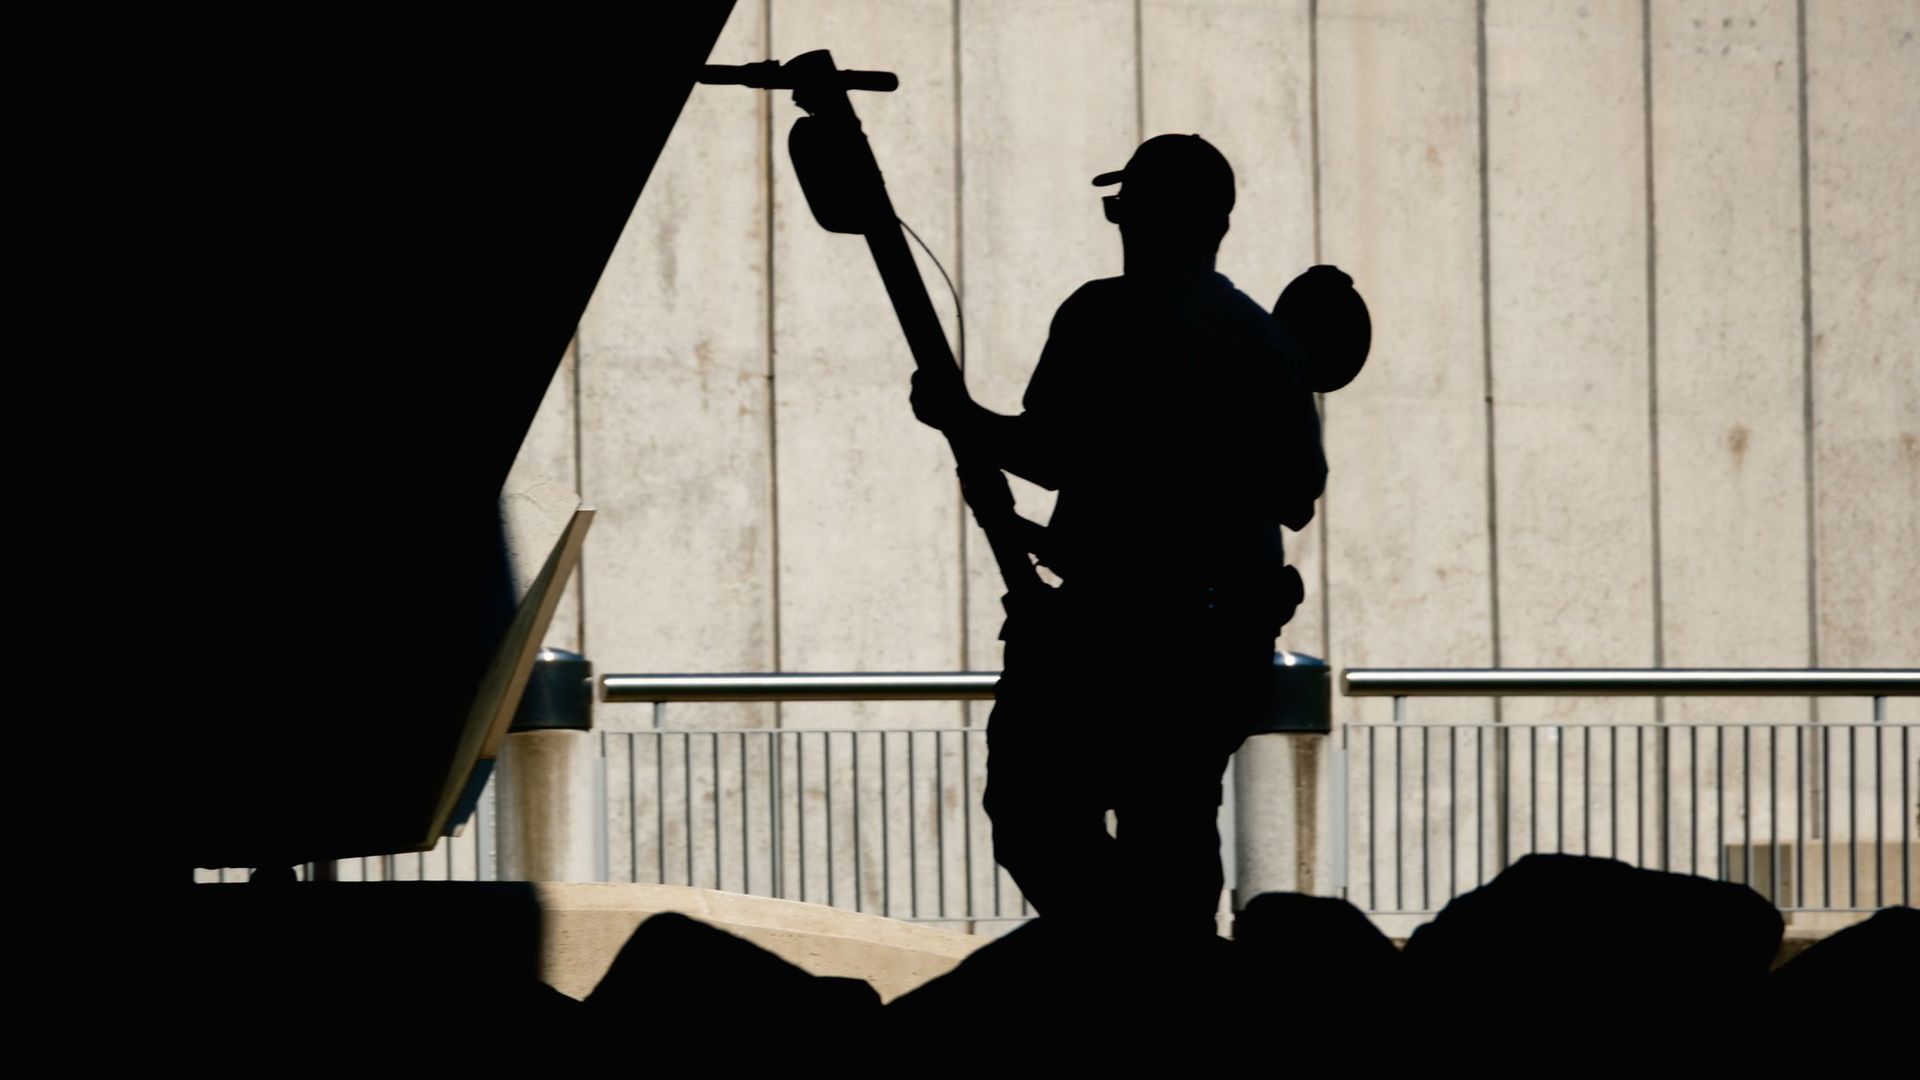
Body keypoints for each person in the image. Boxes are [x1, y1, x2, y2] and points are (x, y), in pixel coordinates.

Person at [910, 134, 1326, 938]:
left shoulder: (1106, 312)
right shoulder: (1268, 345)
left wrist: (955, 416)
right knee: (1172, 823)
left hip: (1115, 634)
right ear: (1219, 226)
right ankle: (1171, 960)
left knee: (1035, 809)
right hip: (1223, 641)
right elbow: (1298, 497)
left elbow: (1051, 453)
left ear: (1136, 214)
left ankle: (1137, 957)